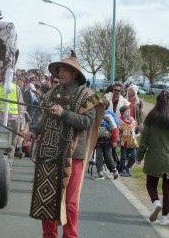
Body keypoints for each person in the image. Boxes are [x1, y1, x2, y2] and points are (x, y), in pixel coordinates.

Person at [23, 51, 103, 238]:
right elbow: (43, 120)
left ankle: (70, 235)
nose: (61, 73)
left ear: (75, 73)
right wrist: (33, 131)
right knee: (47, 198)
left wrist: (64, 114)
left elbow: (87, 123)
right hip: (49, 152)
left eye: (65, 70)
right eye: (59, 69)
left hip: (74, 154)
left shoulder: (88, 96)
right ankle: (49, 235)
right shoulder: (51, 94)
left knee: (70, 202)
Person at [136, 90, 169, 226]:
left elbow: (144, 141)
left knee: (151, 184)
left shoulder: (151, 118)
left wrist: (139, 157)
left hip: (154, 158)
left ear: (157, 101)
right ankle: (164, 217)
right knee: (167, 188)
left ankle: (156, 202)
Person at [94, 98, 119, 180]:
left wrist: (115, 140)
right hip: (98, 140)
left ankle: (114, 169)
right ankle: (100, 171)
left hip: (107, 139)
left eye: (102, 105)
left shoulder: (108, 116)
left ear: (105, 106)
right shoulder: (95, 115)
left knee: (108, 156)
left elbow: (114, 128)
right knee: (98, 156)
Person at [118, 105, 138, 177]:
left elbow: (135, 129)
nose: (129, 113)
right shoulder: (119, 121)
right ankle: (122, 169)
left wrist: (138, 129)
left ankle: (127, 168)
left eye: (129, 111)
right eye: (127, 111)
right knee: (123, 156)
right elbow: (118, 131)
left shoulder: (132, 120)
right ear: (122, 113)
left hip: (132, 142)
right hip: (124, 142)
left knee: (134, 156)